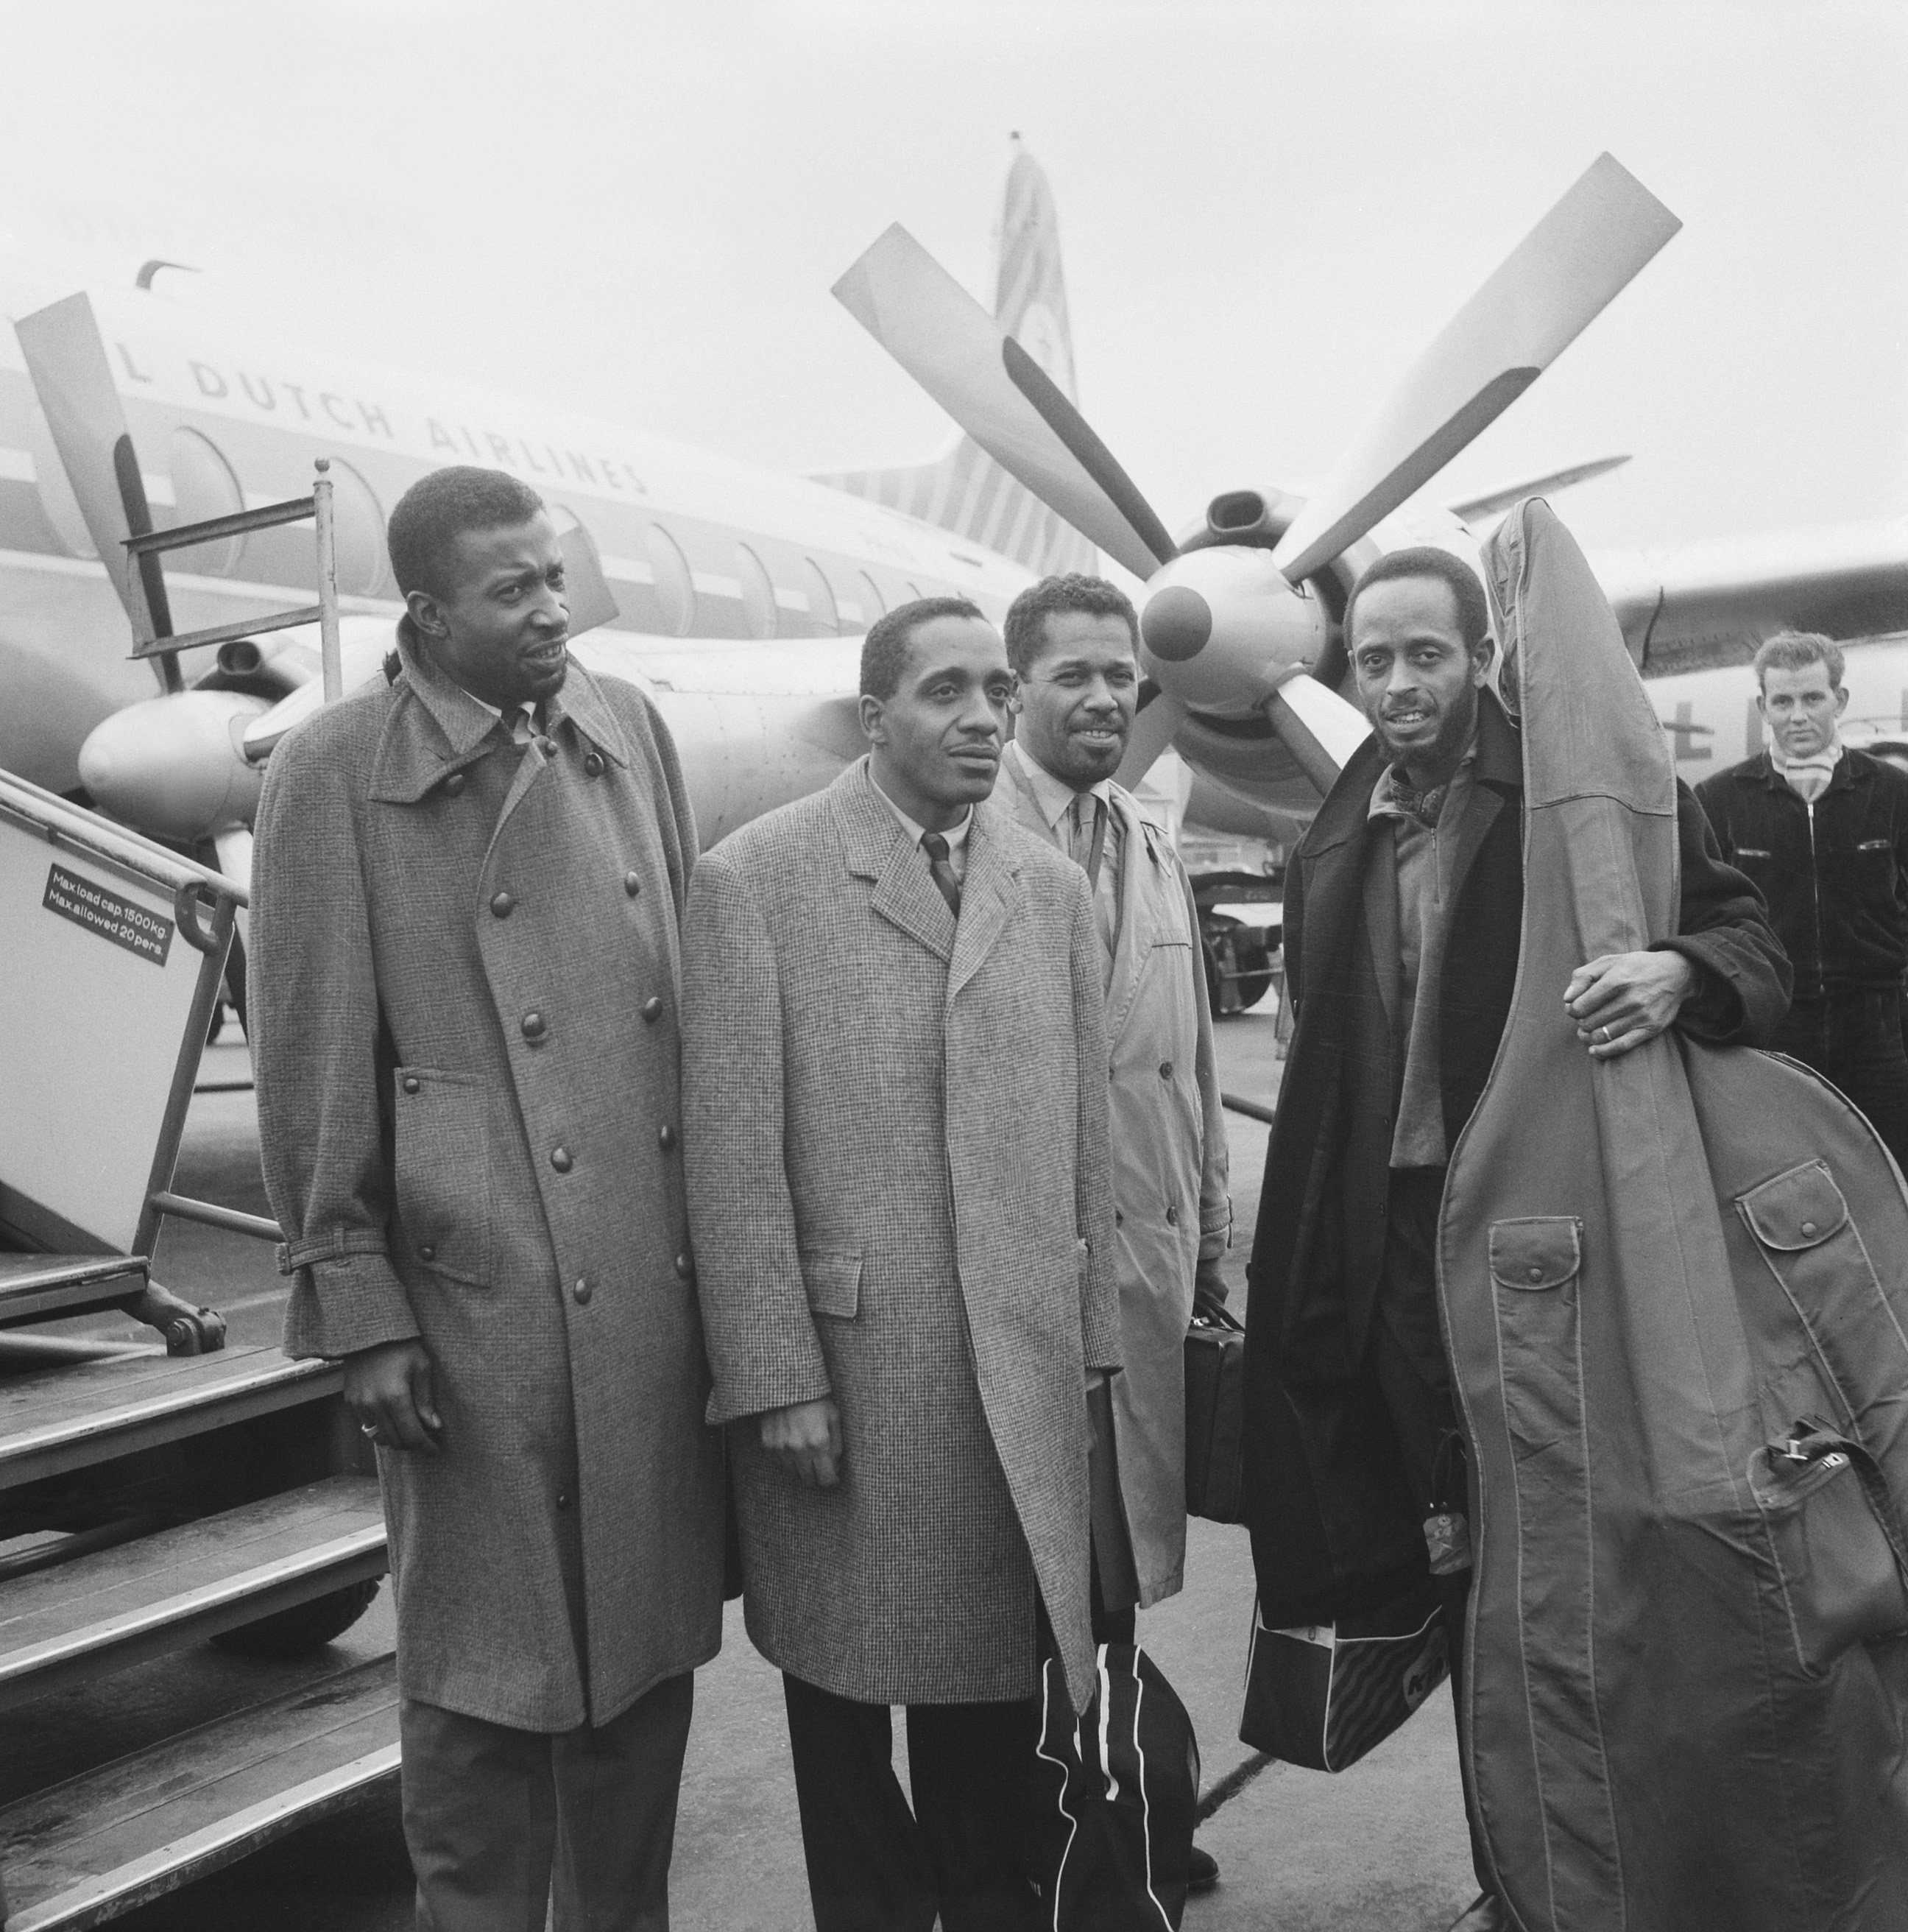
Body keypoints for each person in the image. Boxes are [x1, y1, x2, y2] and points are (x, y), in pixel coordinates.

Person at [1239, 547, 1789, 1932]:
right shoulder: (1342, 822)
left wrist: (1681, 969)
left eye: (1427, 653)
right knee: (1458, 1578)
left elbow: (1756, 941)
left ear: (1482, 656)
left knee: (1581, 1575)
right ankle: (1517, 1873)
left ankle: (1614, 1872)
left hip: (1552, 1246)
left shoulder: (1575, 794)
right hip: (1392, 1257)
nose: (1399, 683)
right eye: (1374, 658)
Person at [250, 466, 723, 1932]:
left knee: (640, 1668)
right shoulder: (332, 770)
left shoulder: (625, 726)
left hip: (645, 1284)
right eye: (513, 590)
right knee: (481, 1680)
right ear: (427, 611)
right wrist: (362, 1310)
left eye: (554, 577)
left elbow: (687, 1007)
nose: (552, 609)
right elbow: (313, 1063)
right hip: (474, 1301)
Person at [679, 596, 1120, 1932]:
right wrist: (774, 1375)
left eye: (995, 688)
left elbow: (1085, 1140)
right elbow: (729, 1155)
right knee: (842, 1694)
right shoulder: (756, 877)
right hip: (855, 1374)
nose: (982, 715)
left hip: (1015, 1373)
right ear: (874, 716)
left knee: (989, 1692)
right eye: (944, 691)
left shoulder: (1046, 884)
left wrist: (1090, 1344)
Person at [994, 571, 1228, 1893]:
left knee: (1117, 1569)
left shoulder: (1145, 837)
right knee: (1039, 1578)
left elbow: (1186, 1059)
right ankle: (1081, 1830)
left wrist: (1212, 1244)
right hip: (1028, 1281)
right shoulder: (972, 833)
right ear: (1016, 684)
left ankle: (1134, 1808)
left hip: (1142, 1260)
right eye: (1071, 673)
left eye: (1118, 675)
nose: (1102, 696)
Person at [1694, 630, 1908, 1168]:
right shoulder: (1719, 800)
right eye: (1783, 701)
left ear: (1839, 701)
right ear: (1763, 706)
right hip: (1775, 1021)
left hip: (1877, 1021)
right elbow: (1702, 915)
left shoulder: (1892, 792)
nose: (1798, 716)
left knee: (1889, 1167)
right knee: (1787, 1172)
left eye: (1813, 699)